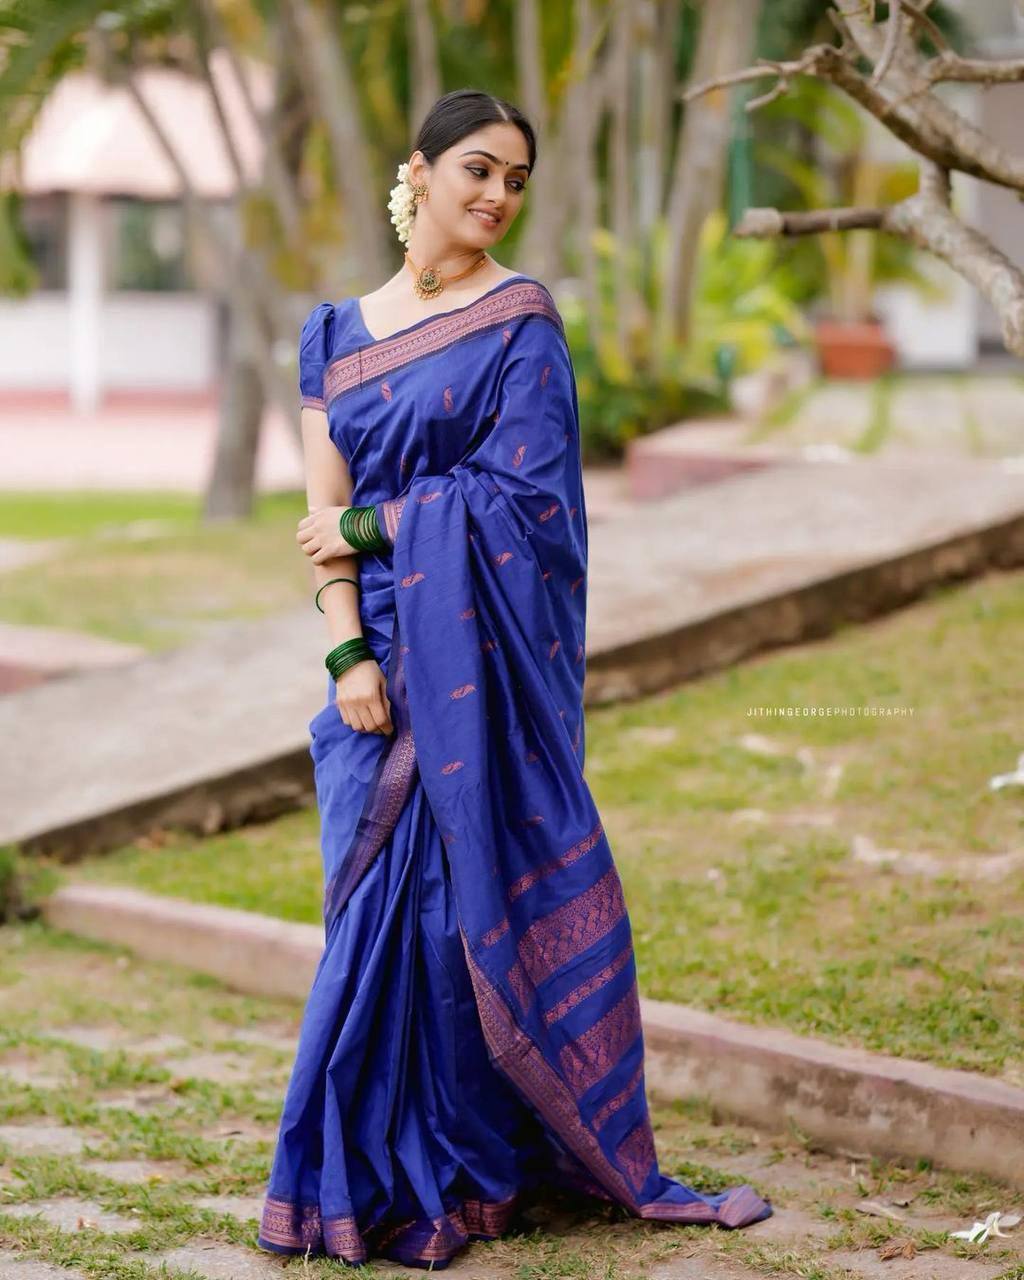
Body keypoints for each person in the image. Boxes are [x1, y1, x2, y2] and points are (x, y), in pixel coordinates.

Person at [256, 88, 772, 1271]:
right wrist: (347, 654)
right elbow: (318, 517)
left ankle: (478, 1167)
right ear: (418, 172)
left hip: (478, 664)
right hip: (377, 669)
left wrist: (382, 526)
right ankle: (366, 1170)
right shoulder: (333, 333)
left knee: (456, 920)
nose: (497, 195)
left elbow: (531, 506)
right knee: (371, 924)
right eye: (477, 170)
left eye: (515, 180)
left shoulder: (520, 321)